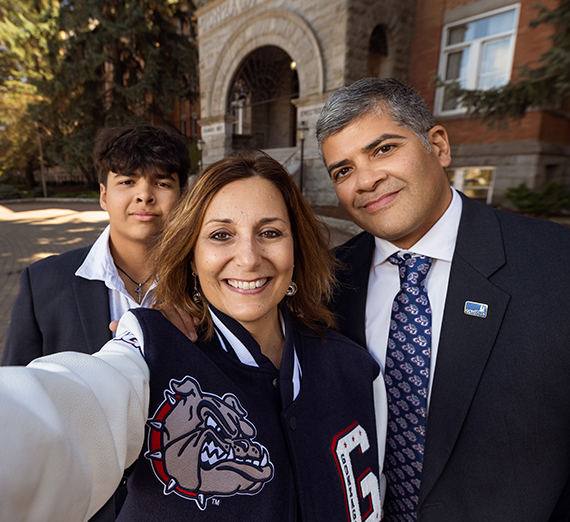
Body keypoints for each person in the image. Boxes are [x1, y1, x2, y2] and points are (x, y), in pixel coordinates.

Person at [316, 77, 570, 522]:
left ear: (438, 145)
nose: (367, 180)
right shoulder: (328, 282)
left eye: (383, 149)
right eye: (343, 170)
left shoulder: (555, 265)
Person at [1, 124, 190, 521]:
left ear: (183, 195)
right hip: (82, 502)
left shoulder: (209, 285)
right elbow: (20, 394)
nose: (144, 194)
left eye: (162, 181)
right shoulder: (44, 282)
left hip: (181, 498)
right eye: (127, 180)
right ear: (104, 194)